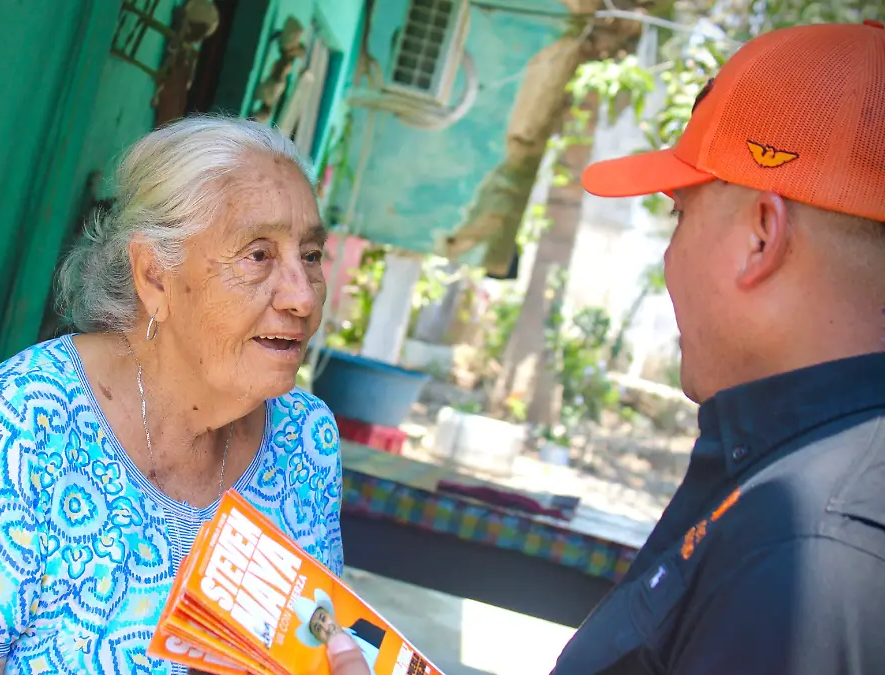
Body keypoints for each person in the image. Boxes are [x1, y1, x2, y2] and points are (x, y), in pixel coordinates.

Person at [328, 19, 885, 675]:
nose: (671, 255)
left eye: (680, 215)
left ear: (761, 237)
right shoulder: (798, 476)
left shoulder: (805, 548)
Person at [0, 116, 344, 674]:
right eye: (258, 255)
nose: (303, 297)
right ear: (155, 278)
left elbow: (313, 649)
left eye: (309, 255)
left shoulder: (307, 441)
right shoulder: (20, 425)